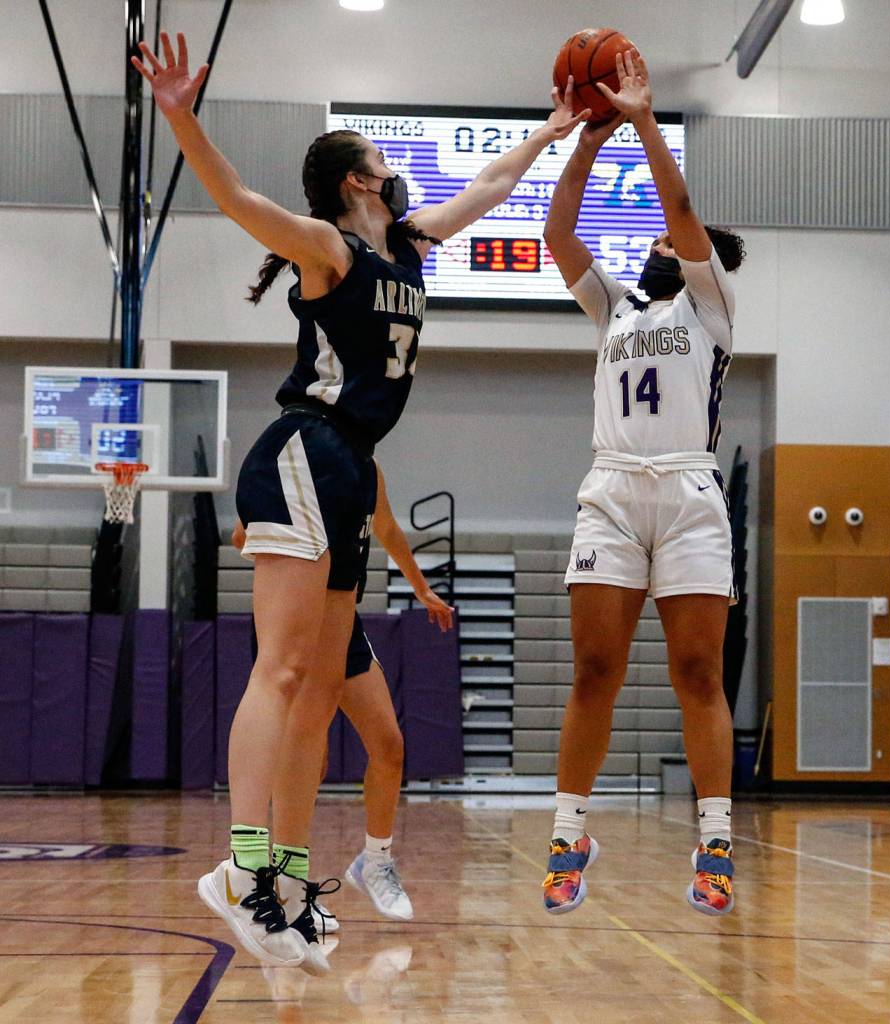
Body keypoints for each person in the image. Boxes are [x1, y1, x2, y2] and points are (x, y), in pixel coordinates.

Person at [133, 32, 591, 972]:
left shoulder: (412, 247)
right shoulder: (328, 249)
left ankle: (290, 885)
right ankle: (244, 868)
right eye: (384, 160)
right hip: (304, 450)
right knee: (284, 674)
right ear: (355, 181)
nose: (398, 172)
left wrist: (549, 131)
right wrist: (182, 120)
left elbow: (492, 187)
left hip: (349, 470)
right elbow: (238, 201)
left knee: (315, 703)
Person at [540, 49, 746, 918]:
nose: (660, 244)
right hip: (615, 489)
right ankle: (568, 831)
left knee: (698, 672)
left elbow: (683, 206)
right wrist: (592, 133)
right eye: (657, 241)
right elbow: (557, 233)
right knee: (595, 668)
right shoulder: (617, 308)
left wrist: (645, 118)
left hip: (690, 493)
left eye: (669, 240)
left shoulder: (710, 307)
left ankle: (715, 839)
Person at [232, 459, 454, 926]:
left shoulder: (369, 468)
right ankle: (285, 887)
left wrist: (422, 590)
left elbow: (389, 529)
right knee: (307, 762)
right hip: (294, 621)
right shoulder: (293, 461)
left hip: (342, 627)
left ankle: (375, 861)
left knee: (389, 746)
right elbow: (241, 535)